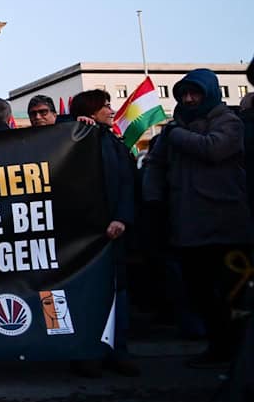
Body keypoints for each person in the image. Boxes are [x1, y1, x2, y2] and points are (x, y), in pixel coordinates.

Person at [143, 69, 251, 368]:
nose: (189, 99)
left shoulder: (228, 121)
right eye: (184, 94)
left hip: (226, 225)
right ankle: (217, 347)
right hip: (187, 224)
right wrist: (153, 199)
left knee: (232, 294)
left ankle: (237, 351)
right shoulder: (175, 126)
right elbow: (155, 163)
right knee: (200, 292)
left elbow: (213, 149)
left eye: (194, 93)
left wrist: (176, 134)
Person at [69, 89, 138, 377]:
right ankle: (89, 352)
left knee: (117, 290)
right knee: (85, 292)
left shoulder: (114, 143)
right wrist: (71, 122)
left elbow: (127, 183)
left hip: (112, 230)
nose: (112, 110)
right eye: (105, 106)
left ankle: (117, 351)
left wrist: (122, 217)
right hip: (84, 232)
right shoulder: (76, 136)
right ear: (90, 112)